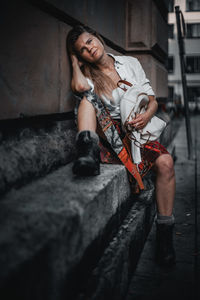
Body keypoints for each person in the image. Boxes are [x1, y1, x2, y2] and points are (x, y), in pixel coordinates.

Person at [66, 25, 176, 266]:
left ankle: (165, 237)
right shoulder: (88, 75)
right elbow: (79, 89)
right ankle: (87, 151)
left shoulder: (130, 62)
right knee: (88, 99)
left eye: (90, 41)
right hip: (109, 137)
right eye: (82, 50)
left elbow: (152, 99)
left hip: (136, 130)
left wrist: (146, 116)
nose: (90, 49)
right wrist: (74, 62)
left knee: (166, 163)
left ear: (98, 37)